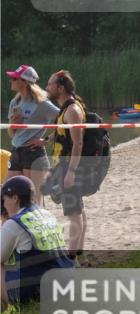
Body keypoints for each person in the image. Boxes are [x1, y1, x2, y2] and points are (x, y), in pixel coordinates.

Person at [1, 175, 74, 307]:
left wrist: (4, 224)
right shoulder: (47, 214)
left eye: (4, 200)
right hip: (66, 284)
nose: (4, 206)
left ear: (15, 198)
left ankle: (5, 306)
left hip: (37, 291)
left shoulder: (14, 223)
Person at [45, 70, 89, 253]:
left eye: (50, 84)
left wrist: (71, 172)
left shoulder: (72, 110)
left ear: (60, 88)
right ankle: (79, 254)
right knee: (78, 212)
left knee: (73, 215)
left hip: (70, 167)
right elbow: (64, 136)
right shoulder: (66, 109)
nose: (47, 87)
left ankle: (71, 259)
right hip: (64, 166)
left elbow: (78, 143)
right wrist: (45, 141)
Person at [5, 65, 59, 202]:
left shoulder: (41, 103)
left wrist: (46, 140)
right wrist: (13, 125)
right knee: (7, 195)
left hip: (34, 152)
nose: (10, 81)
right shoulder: (14, 102)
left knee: (33, 200)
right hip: (16, 151)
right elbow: (12, 135)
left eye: (14, 78)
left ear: (24, 81)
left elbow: (65, 121)